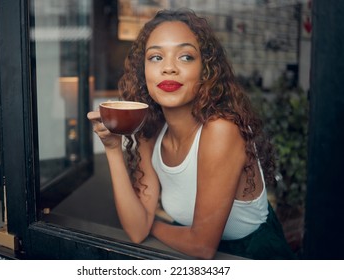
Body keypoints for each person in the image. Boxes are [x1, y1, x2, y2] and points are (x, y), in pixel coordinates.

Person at [88, 9, 295, 260]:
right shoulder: (151, 134)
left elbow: (201, 246)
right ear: (143, 72)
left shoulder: (221, 130)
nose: (169, 68)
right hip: (184, 253)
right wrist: (112, 148)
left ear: (206, 70)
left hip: (251, 256)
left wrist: (151, 223)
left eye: (185, 57)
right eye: (155, 57)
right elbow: (135, 230)